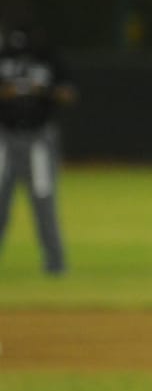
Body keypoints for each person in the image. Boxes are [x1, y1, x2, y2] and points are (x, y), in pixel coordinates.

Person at [0, 24, 78, 276]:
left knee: (44, 202)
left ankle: (56, 264)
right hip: (4, 138)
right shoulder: (3, 59)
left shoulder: (49, 59)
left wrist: (42, 91)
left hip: (38, 140)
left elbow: (69, 93)